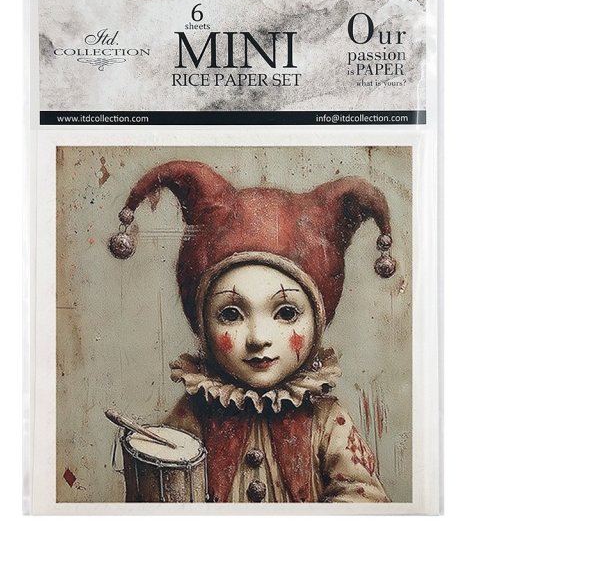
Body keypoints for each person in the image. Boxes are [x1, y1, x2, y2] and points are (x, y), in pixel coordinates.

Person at [108, 160, 398, 503]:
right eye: (231, 314)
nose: (258, 338)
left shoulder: (327, 421)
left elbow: (364, 499)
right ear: (203, 325)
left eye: (286, 313)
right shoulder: (194, 415)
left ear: (317, 323)